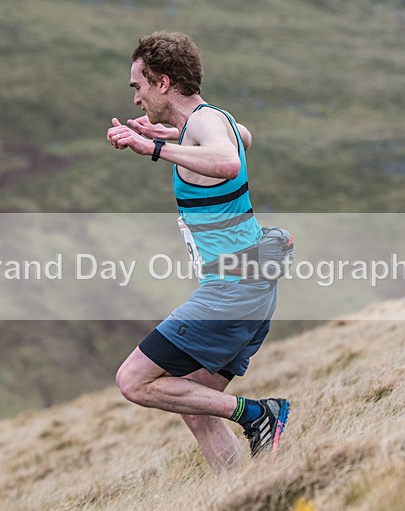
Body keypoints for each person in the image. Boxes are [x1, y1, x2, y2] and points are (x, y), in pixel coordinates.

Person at [108, 31, 289, 472]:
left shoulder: (204, 127)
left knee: (133, 381)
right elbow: (241, 137)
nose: (136, 100)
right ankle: (246, 491)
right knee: (192, 401)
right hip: (252, 286)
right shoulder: (209, 121)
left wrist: (154, 147)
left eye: (139, 86)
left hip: (232, 286)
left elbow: (227, 161)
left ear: (163, 82)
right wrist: (177, 133)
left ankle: (259, 414)